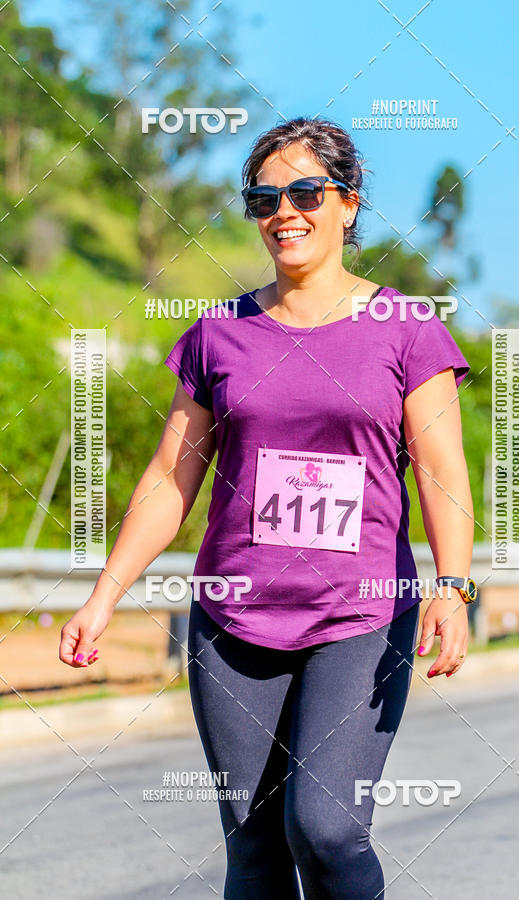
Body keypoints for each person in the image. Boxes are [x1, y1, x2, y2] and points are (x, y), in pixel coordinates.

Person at [60, 116, 474, 899]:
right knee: (253, 851)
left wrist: (453, 587)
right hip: (233, 618)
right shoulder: (220, 334)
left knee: (325, 828)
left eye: (306, 192)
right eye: (263, 199)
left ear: (348, 203)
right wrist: (103, 595)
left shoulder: (405, 329)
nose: (284, 211)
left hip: (359, 614)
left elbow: (442, 472)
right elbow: (169, 479)